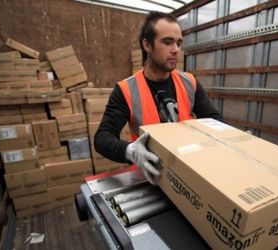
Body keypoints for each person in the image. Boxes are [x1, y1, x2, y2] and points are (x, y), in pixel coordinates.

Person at [94, 11, 223, 184]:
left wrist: (231, 138)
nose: (176, 50)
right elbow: (102, 138)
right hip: (151, 175)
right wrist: (131, 151)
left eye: (178, 43)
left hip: (188, 171)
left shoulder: (189, 82)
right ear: (147, 45)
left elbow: (214, 119)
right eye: (168, 42)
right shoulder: (126, 90)